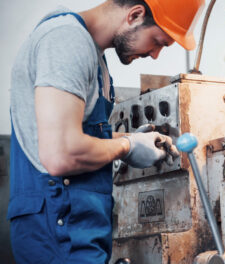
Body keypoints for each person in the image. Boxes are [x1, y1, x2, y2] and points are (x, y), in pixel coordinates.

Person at [7, 0, 205, 263]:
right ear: (135, 15)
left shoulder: (92, 54)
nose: (155, 54)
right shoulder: (66, 41)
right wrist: (127, 147)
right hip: (58, 224)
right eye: (158, 41)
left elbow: (75, 136)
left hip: (75, 226)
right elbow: (60, 154)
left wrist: (131, 139)